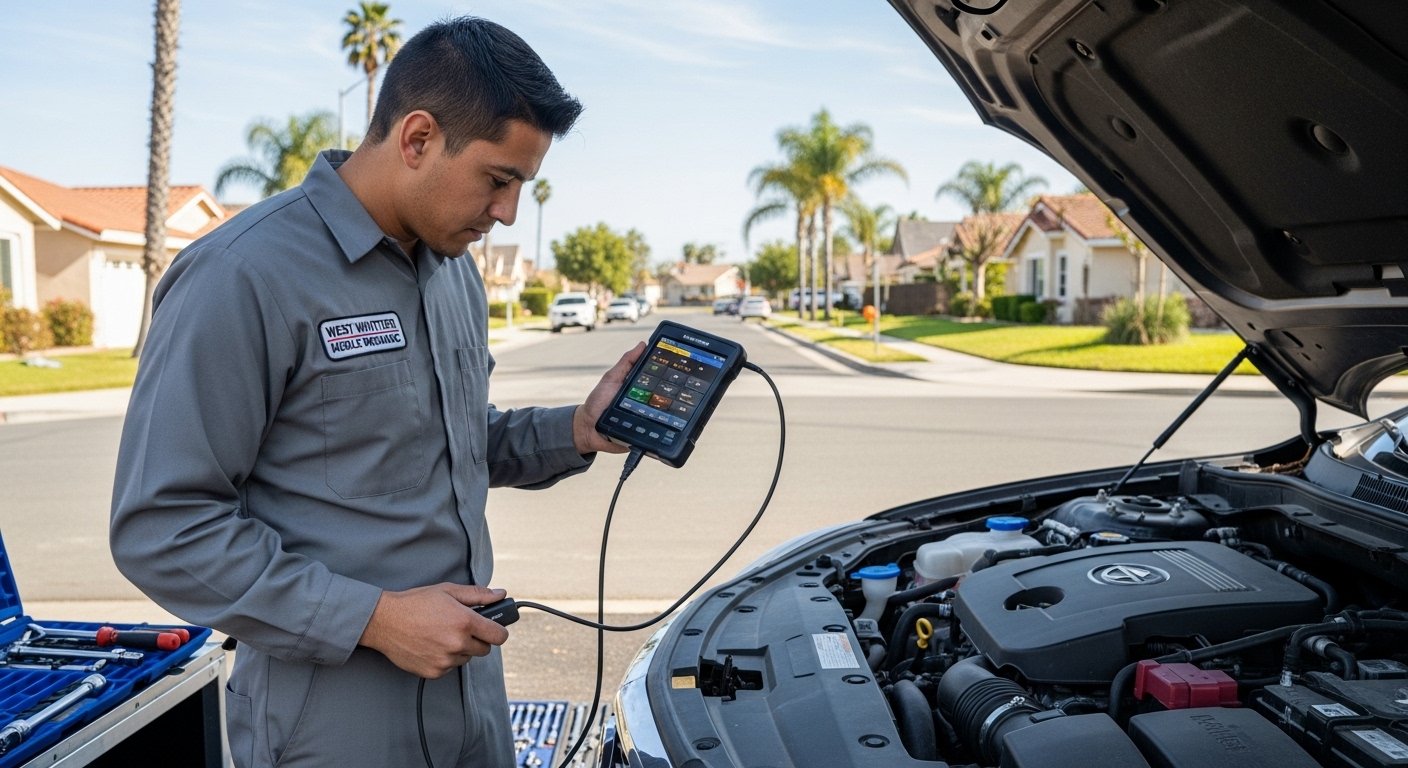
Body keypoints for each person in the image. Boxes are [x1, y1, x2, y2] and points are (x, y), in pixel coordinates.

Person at [110, 16, 640, 768]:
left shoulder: (453, 270)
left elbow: (453, 439)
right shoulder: (242, 274)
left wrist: (580, 430)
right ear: (418, 138)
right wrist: (377, 619)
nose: (508, 213)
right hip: (330, 712)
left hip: (472, 692)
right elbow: (162, 526)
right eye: (499, 179)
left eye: (523, 186)